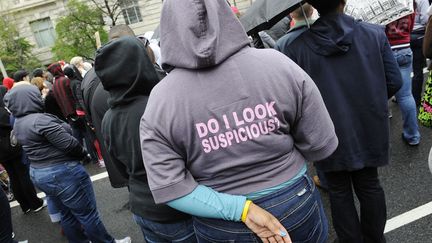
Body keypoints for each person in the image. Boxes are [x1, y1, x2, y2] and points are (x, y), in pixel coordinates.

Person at [140, 0, 338, 242]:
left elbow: (170, 188)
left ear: (169, 28)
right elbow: (321, 144)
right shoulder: (277, 64)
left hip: (220, 222)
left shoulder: (160, 101)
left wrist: (240, 209)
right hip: (292, 200)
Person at [281, 0, 403, 242]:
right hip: (368, 124)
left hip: (325, 130)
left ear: (313, 5)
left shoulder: (296, 48)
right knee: (369, 184)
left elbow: (294, 100)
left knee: (338, 190)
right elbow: (394, 81)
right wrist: (372, 102)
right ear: (344, 2)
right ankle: (374, 237)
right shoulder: (374, 34)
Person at [95, 36, 196, 243]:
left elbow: (120, 169)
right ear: (140, 64)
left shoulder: (108, 118)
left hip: (142, 208)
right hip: (178, 208)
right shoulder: (158, 105)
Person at [3, 84, 131, 243]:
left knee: (67, 214)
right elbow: (70, 145)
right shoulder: (40, 121)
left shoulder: (18, 121)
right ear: (29, 99)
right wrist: (83, 154)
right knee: (87, 215)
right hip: (62, 172)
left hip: (39, 172)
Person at [0, 85, 45, 214]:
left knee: (13, 177)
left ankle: (24, 206)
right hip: (13, 147)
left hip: (2, 152)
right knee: (23, 174)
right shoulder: (4, 112)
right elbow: (13, 125)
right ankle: (35, 203)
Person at [386, 8, 421, 146]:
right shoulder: (406, 2)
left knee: (380, 94)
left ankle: (380, 141)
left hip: (386, 50)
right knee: (406, 96)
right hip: (405, 48)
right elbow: (411, 27)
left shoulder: (381, 4)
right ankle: (412, 136)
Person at [411, 0, 430, 106]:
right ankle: (416, 99)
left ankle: (402, 96)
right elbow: (425, 19)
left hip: (403, 37)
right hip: (419, 36)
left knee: (404, 70)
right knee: (418, 70)